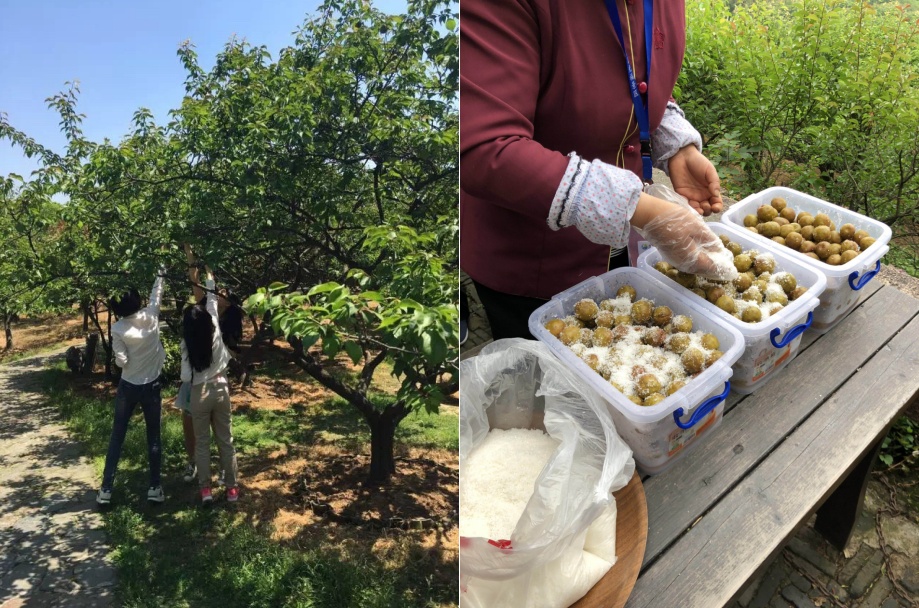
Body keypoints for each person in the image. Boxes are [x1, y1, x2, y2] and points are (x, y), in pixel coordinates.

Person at [460, 0, 729, 340]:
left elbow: (638, 75)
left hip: (626, 245)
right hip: (531, 260)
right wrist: (639, 209)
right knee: (547, 375)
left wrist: (674, 142)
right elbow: (483, 148)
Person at [97, 269, 167, 506]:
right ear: (137, 299)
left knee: (117, 436)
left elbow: (121, 361)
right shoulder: (151, 316)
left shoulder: (118, 329)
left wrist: (126, 360)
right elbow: (157, 292)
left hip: (128, 387)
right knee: (153, 437)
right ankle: (155, 487)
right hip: (152, 386)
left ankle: (106, 489)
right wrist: (161, 270)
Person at [180, 248, 239, 505]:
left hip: (199, 391)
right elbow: (211, 296)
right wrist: (209, 267)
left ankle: (205, 490)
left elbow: (184, 375)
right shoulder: (215, 328)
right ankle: (232, 490)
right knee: (226, 440)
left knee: (202, 443)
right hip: (221, 388)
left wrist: (189, 253)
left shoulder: (187, 343)